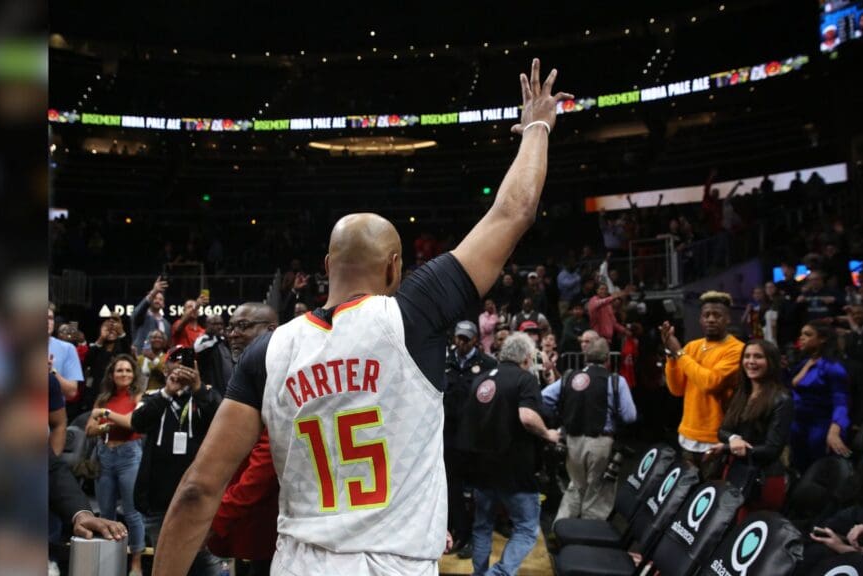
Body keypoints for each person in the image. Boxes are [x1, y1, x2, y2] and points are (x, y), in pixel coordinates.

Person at [153, 58, 573, 576]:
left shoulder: (269, 349)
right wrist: (537, 126)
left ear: (327, 267)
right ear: (395, 267)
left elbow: (198, 489)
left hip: (298, 564)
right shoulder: (413, 313)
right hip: (394, 566)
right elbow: (514, 211)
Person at [458, 333, 560, 576]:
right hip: (514, 468)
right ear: (526, 358)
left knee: (482, 527)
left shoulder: (481, 379)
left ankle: (480, 573)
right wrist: (548, 434)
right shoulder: (524, 380)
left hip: (481, 467)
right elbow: (527, 417)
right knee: (525, 529)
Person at [132, 346, 223, 576]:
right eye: (175, 362)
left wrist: (199, 389)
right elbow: (137, 423)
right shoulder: (153, 397)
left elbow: (221, 421)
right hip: (158, 499)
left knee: (205, 564)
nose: (180, 367)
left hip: (197, 498)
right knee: (166, 565)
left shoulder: (206, 395)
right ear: (165, 369)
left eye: (186, 364)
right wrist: (166, 393)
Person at [208, 305, 281, 576]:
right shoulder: (246, 371)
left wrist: (219, 516)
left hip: (272, 524)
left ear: (271, 330)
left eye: (244, 326)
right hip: (247, 523)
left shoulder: (277, 374)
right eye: (232, 327)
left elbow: (266, 460)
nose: (234, 334)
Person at [542, 337, 637, 521]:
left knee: (576, 486)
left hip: (571, 441)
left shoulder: (568, 378)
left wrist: (563, 410)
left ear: (585, 357)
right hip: (601, 443)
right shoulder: (616, 382)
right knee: (598, 491)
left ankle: (561, 530)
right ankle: (588, 537)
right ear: (608, 358)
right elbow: (629, 416)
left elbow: (543, 398)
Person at [662, 291, 744, 477]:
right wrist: (671, 354)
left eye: (717, 315)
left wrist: (680, 354)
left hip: (715, 438)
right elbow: (676, 390)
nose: (711, 319)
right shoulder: (692, 346)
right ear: (700, 319)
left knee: (709, 494)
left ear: (728, 319)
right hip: (688, 434)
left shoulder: (736, 349)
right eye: (706, 315)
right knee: (685, 493)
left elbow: (710, 383)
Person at [710, 340, 793, 519]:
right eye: (747, 356)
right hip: (736, 471)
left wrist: (727, 447)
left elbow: (771, 450)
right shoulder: (742, 392)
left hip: (763, 481)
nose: (751, 361)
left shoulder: (782, 399)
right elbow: (722, 431)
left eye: (758, 356)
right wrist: (733, 439)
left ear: (771, 361)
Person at [798, 414, 863, 573]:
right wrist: (835, 538)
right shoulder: (857, 484)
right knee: (814, 551)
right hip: (849, 557)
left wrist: (843, 548)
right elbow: (823, 524)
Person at [85, 354, 146, 576]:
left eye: (128, 370)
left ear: (133, 374)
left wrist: (104, 416)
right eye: (119, 370)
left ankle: (136, 563)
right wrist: (106, 426)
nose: (124, 374)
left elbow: (131, 422)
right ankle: (109, 562)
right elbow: (90, 430)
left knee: (132, 513)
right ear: (112, 374)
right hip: (105, 455)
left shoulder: (139, 396)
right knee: (106, 513)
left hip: (129, 455)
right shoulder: (103, 398)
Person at [444, 320, 498, 557]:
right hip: (448, 437)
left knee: (478, 491)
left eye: (466, 338)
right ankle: (459, 533)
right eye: (459, 337)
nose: (462, 342)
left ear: (476, 339)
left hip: (476, 438)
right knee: (452, 488)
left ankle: (477, 537)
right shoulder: (445, 361)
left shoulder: (488, 364)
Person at [789, 320, 852, 471]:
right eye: (801, 334)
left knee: (817, 470)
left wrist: (835, 430)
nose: (801, 338)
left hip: (820, 426)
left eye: (808, 334)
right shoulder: (803, 363)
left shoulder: (833, 367)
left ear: (822, 339)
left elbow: (841, 402)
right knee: (797, 468)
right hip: (797, 424)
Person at [80, 312, 132, 420]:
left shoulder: (123, 347)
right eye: (107, 327)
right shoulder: (96, 348)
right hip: (96, 394)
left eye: (114, 328)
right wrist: (101, 338)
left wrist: (121, 331)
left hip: (117, 393)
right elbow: (87, 361)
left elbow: (129, 355)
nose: (110, 330)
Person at [49, 304, 84, 400]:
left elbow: (71, 392)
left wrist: (52, 371)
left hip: (55, 412)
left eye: (50, 318)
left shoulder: (68, 349)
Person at [195, 313, 234, 396]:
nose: (219, 327)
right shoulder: (202, 339)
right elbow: (199, 349)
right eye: (215, 324)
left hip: (226, 385)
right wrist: (218, 339)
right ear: (207, 325)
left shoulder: (223, 340)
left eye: (221, 324)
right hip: (211, 386)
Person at [132, 276, 171, 353]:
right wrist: (154, 291)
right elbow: (137, 313)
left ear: (163, 304)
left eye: (160, 299)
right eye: (155, 298)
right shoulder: (142, 315)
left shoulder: (166, 324)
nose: (157, 301)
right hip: (141, 358)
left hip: (159, 361)